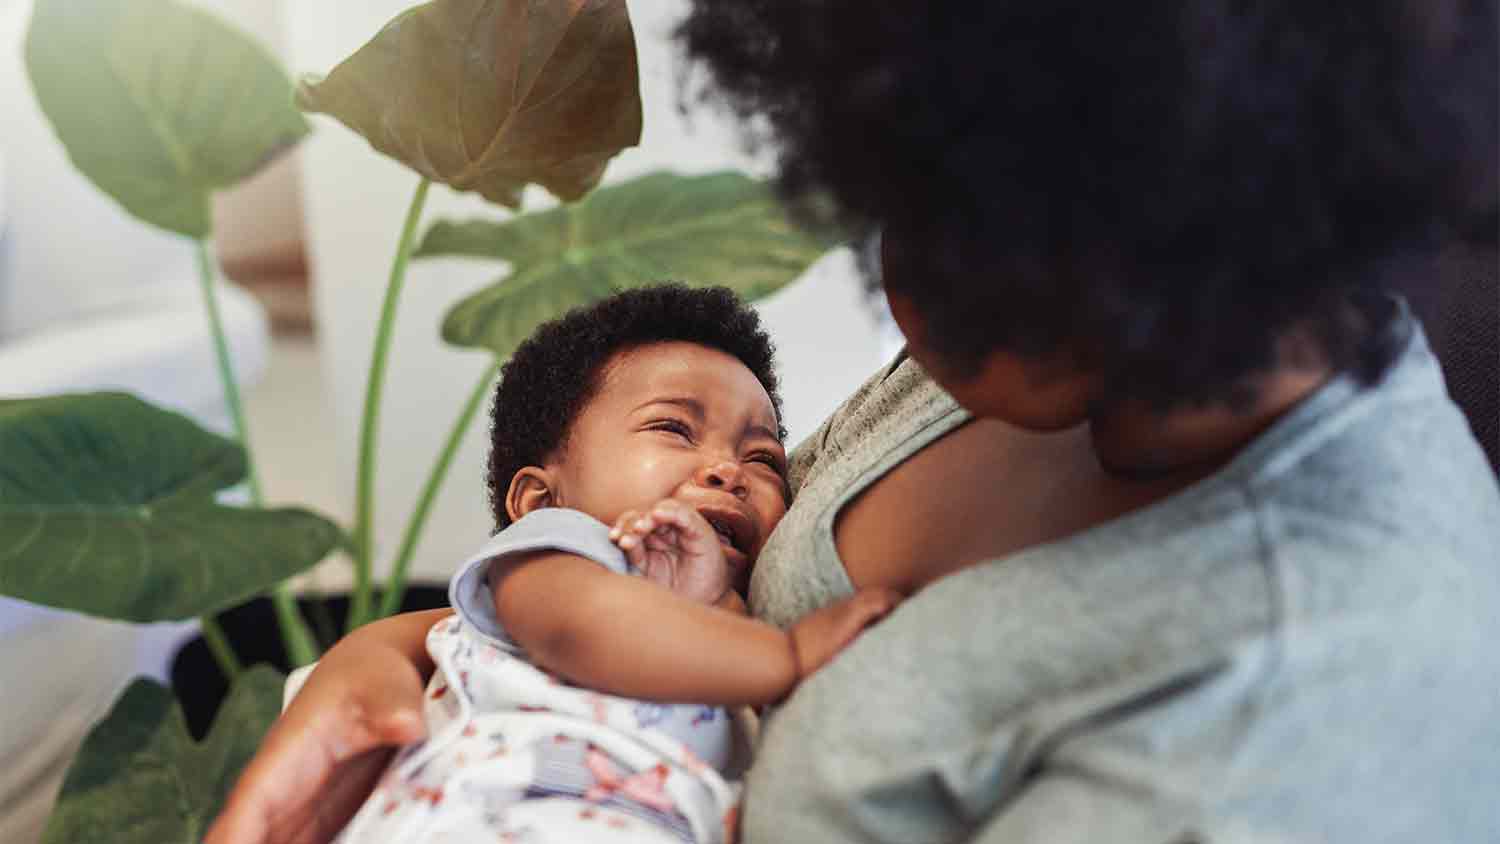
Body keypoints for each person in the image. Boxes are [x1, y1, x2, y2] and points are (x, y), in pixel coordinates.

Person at [208, 2, 1500, 842]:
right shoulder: (1046, 340)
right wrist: (395, 660)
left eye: (961, 231)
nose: (899, 279)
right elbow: (633, 602)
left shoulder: (1295, 722)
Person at [318, 284, 899, 844]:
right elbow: (585, 626)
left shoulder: (746, 631)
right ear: (541, 500)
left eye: (764, 458)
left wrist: (726, 611)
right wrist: (790, 656)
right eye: (674, 428)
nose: (728, 470)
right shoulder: (556, 553)